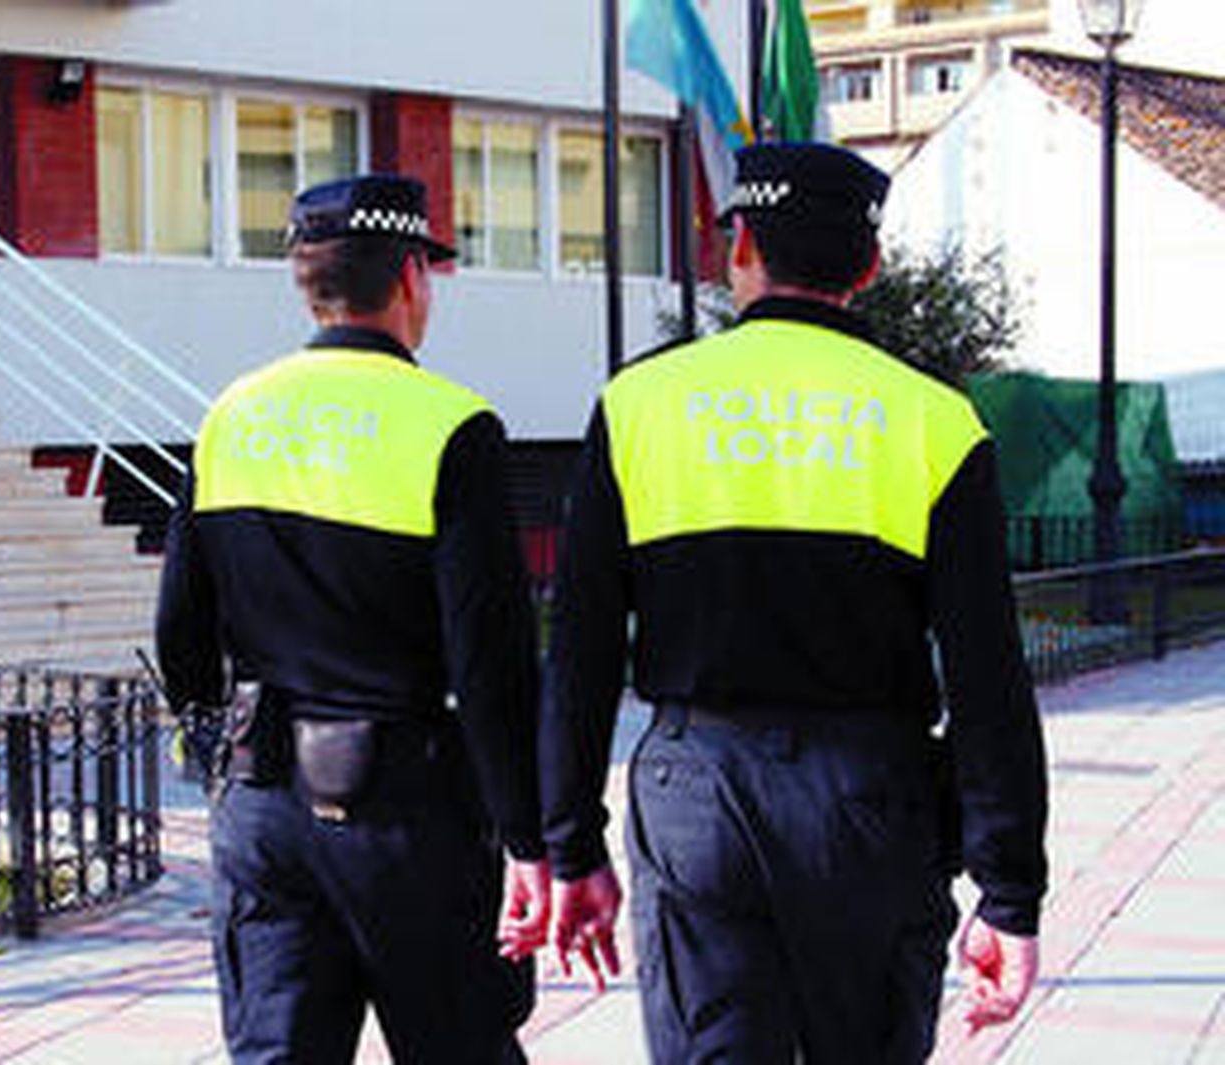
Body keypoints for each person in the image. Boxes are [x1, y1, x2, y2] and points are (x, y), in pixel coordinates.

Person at [539, 142, 1048, 1062]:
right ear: (868, 267)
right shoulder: (933, 420)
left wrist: (571, 844)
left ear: (741, 253)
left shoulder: (642, 404)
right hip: (870, 800)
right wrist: (1010, 893)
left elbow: (577, 653)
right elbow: (988, 679)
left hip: (695, 789)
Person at [156, 174, 549, 1064]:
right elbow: (491, 661)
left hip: (261, 805)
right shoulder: (453, 426)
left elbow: (181, 626)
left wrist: (215, 756)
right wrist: (529, 835)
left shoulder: (231, 418)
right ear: (413, 276)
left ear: (305, 279)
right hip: (409, 816)